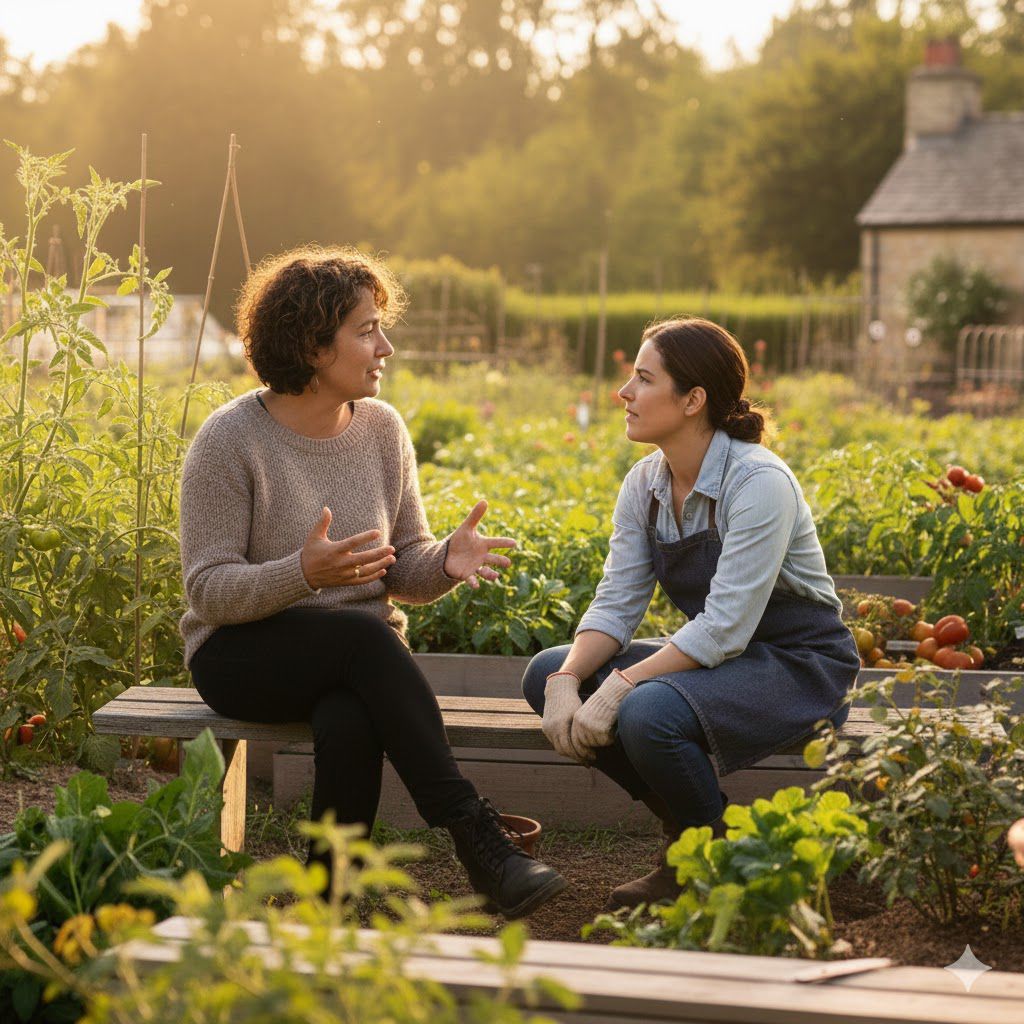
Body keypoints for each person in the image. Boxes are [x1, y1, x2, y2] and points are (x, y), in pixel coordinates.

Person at [179, 244, 566, 919]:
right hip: (242, 654)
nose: (385, 346)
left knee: (351, 712)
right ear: (311, 344)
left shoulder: (383, 430)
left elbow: (403, 563)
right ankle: (477, 838)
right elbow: (208, 589)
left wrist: (444, 561)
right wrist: (302, 573)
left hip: (356, 663)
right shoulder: (229, 440)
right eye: (365, 330)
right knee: (362, 635)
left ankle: (326, 905)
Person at [522, 317, 859, 910]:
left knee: (645, 709)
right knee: (546, 669)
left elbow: (726, 625)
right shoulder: (646, 483)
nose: (623, 393)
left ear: (693, 399)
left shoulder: (758, 481)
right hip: (726, 659)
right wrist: (566, 681)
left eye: (643, 379)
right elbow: (617, 603)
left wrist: (621, 685)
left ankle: (709, 867)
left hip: (800, 664)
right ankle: (699, 839)